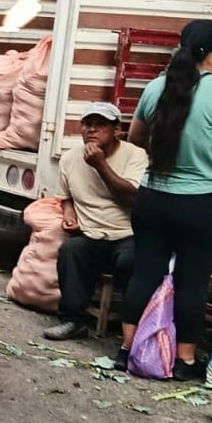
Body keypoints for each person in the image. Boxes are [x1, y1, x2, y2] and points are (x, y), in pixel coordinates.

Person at [116, 20, 212, 379]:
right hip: (202, 203)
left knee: (144, 273)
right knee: (191, 281)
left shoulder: (156, 88)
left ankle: (126, 350)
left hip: (153, 199)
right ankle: (184, 362)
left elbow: (135, 137)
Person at [42, 102, 148, 341]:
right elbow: (65, 197)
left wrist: (100, 164)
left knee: (131, 261)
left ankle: (133, 323)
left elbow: (131, 196)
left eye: (100, 126)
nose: (91, 130)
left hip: (126, 233)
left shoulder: (135, 155)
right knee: (71, 250)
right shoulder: (70, 158)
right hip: (90, 233)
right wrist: (69, 215)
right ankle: (72, 320)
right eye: (87, 125)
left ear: (117, 131)